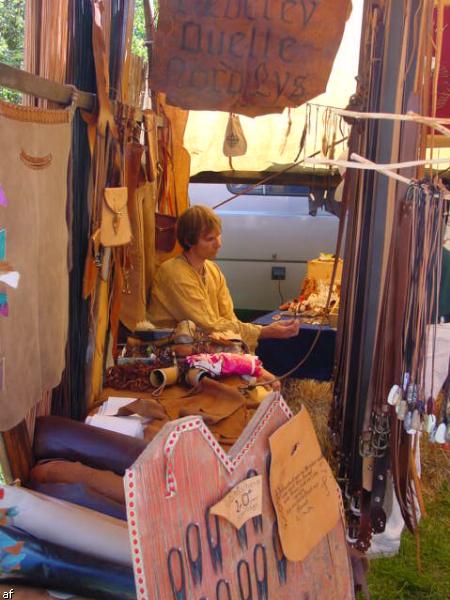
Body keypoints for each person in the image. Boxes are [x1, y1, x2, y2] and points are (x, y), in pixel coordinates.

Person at [148, 205, 300, 353]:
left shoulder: (213, 270)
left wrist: (242, 344)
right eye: (210, 239)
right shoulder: (174, 274)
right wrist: (264, 331)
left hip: (206, 343)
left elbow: (228, 318)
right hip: (171, 350)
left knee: (261, 372)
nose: (219, 244)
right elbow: (208, 325)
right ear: (188, 241)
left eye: (219, 236)